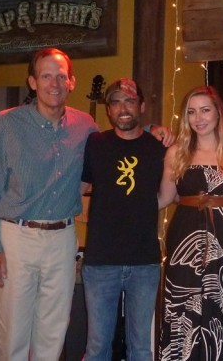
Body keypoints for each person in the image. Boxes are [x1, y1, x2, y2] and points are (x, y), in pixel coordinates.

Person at [0, 48, 99, 360]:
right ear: (32, 82)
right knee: (12, 338)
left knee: (53, 335)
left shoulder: (86, 126)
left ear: (71, 82)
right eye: (46, 76)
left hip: (62, 242)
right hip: (16, 240)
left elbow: (113, 152)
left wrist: (153, 131)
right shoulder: (7, 125)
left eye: (60, 76)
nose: (53, 83)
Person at [157, 85, 223, 360]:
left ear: (218, 114)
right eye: (191, 112)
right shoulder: (176, 153)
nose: (198, 118)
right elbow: (164, 198)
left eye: (205, 110)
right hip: (184, 242)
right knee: (183, 310)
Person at [80, 78, 165, 361]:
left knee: (141, 349)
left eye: (129, 101)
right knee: (97, 348)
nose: (123, 108)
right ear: (108, 109)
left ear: (141, 106)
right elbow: (79, 188)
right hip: (100, 261)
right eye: (115, 102)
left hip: (145, 262)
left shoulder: (158, 147)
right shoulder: (95, 143)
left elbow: (171, 191)